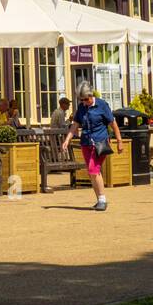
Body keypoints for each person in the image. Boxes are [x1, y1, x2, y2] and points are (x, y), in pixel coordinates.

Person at [62, 81, 123, 211]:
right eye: (81, 100)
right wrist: (67, 140)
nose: (84, 102)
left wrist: (119, 141)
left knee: (93, 170)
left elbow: (113, 124)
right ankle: (99, 200)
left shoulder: (102, 105)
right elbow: (75, 125)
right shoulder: (81, 107)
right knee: (92, 173)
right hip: (86, 142)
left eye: (86, 99)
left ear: (91, 95)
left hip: (100, 142)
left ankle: (102, 199)